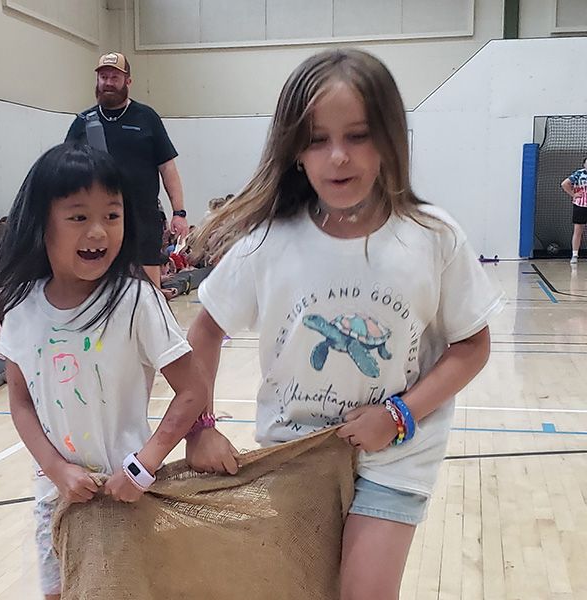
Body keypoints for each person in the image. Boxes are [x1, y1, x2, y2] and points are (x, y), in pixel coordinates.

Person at [184, 50, 504, 599]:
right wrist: (200, 426)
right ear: (294, 152)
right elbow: (205, 331)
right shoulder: (268, 240)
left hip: (395, 454)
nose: (338, 157)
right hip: (295, 455)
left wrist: (400, 413)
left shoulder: (432, 237)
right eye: (316, 140)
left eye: (358, 135)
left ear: (388, 140)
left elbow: (472, 345)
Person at [0, 143, 204, 600]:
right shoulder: (23, 307)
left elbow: (192, 390)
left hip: (125, 498)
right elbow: (21, 401)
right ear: (41, 224)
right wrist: (56, 470)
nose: (99, 231)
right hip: (56, 499)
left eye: (112, 215)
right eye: (78, 217)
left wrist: (143, 465)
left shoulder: (136, 301)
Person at [65, 52, 189, 287]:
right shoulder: (83, 121)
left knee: (149, 288)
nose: (108, 82)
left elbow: (168, 167)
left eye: (114, 77)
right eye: (103, 77)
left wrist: (179, 212)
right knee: (98, 284)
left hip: (142, 217)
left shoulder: (147, 118)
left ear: (127, 82)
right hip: (98, 220)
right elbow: (64, 168)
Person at [561, 156, 587, 264]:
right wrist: (573, 194)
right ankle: (575, 255)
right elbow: (564, 184)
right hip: (580, 205)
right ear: (584, 164)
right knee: (578, 231)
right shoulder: (579, 174)